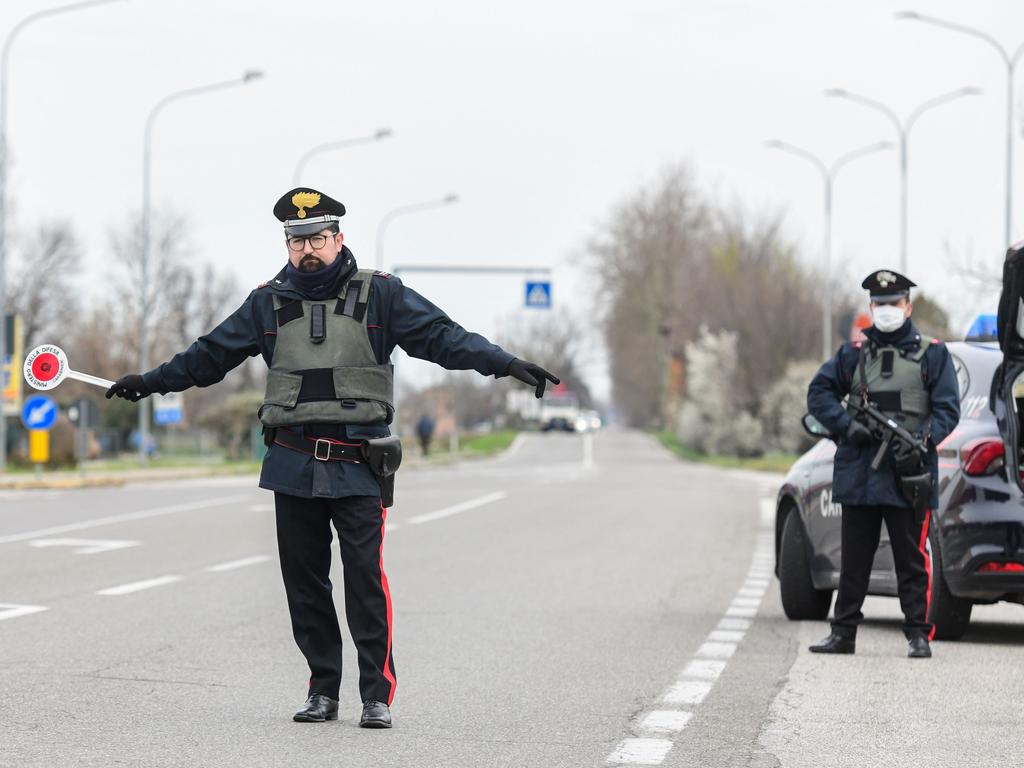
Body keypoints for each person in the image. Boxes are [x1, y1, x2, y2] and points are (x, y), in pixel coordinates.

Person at [105, 188, 558, 726]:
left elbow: (443, 338)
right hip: (292, 462)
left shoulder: (382, 295)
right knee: (305, 583)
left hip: (359, 462)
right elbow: (208, 357)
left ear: (338, 239)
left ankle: (376, 695)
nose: (307, 250)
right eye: (297, 242)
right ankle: (323, 689)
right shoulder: (266, 302)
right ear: (288, 245)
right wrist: (148, 383)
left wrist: (506, 364)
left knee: (364, 579)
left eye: (317, 238)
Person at [806, 269, 960, 659]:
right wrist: (847, 426)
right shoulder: (853, 355)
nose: (887, 310)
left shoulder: (932, 354)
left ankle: (918, 635)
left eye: (894, 303)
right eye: (880, 304)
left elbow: (947, 411)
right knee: (854, 559)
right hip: (861, 471)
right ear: (871, 307)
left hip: (908, 472)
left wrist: (923, 441)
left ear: (908, 306)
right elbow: (819, 393)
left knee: (911, 558)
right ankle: (843, 634)